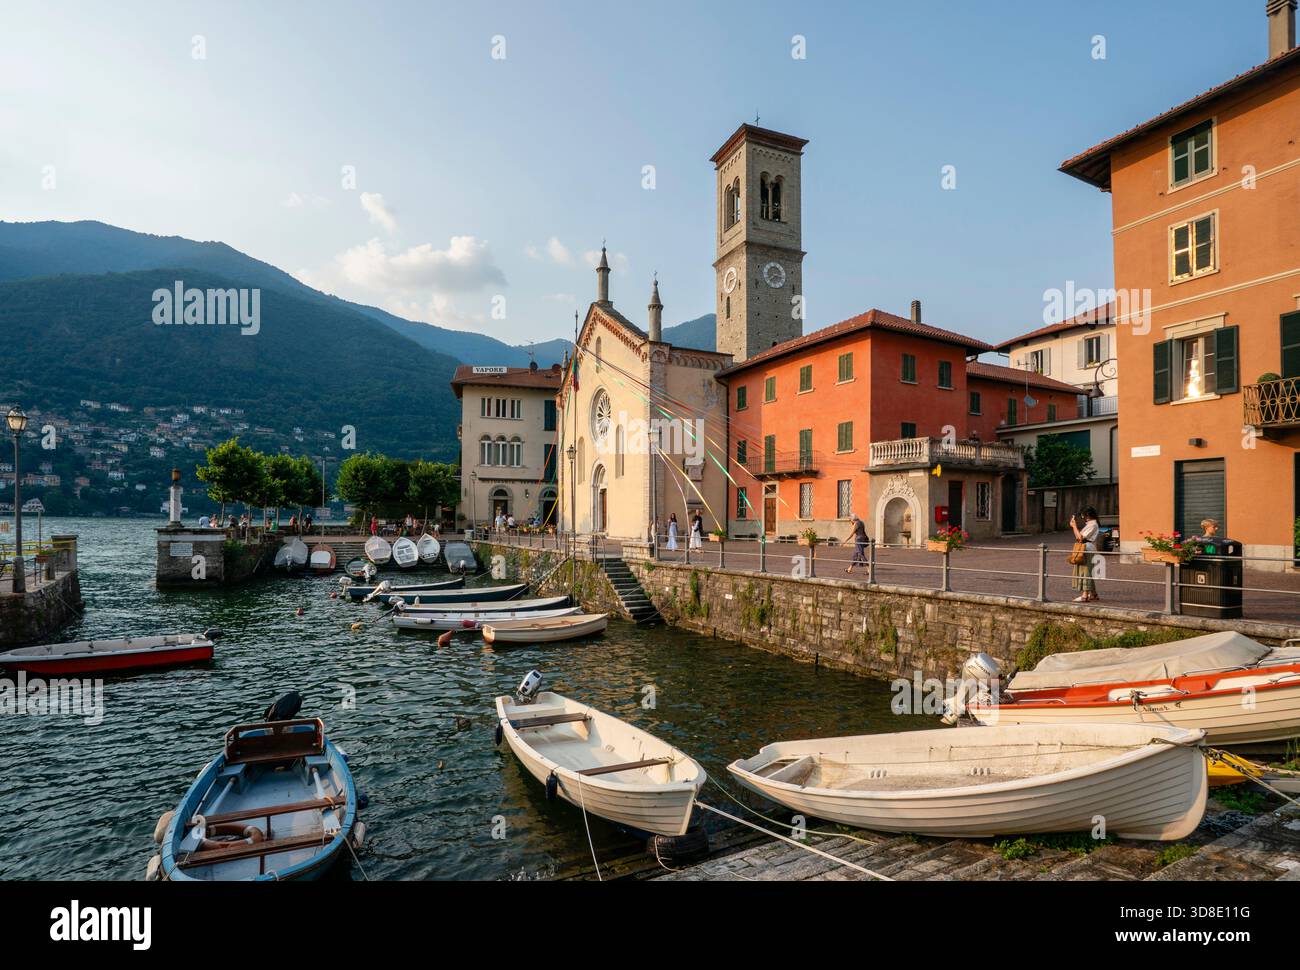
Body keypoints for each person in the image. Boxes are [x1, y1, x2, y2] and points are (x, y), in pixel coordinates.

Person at [1070, 506, 1101, 602]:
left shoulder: (1093, 525)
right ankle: (1093, 594)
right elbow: (1078, 537)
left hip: (1087, 549)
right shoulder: (1091, 524)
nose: (1082, 518)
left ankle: (1085, 595)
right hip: (1085, 548)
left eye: (1083, 516)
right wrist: (1074, 527)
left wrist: (1074, 526)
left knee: (1085, 571)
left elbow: (1080, 538)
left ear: (1087, 515)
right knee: (1087, 571)